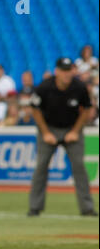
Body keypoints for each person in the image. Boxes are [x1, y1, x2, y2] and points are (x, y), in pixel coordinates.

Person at [28, 57, 98, 217]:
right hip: (49, 128)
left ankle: (87, 208)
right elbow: (35, 109)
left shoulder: (79, 87)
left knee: (79, 166)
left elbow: (87, 109)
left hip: (72, 128)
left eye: (69, 71)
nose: (67, 74)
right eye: (64, 71)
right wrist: (45, 132)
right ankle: (34, 207)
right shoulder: (44, 87)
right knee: (41, 167)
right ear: (57, 71)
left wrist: (75, 131)